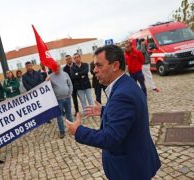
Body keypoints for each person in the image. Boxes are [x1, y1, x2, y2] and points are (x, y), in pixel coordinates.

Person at [65, 45, 161, 180]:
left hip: (129, 170)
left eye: (99, 65)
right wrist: (104, 110)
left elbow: (110, 138)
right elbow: (127, 117)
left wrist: (78, 131)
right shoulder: (126, 84)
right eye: (94, 65)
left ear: (115, 65)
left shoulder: (122, 95)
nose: (94, 70)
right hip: (137, 159)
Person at [49, 62, 73, 139]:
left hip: (67, 98)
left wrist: (69, 94)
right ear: (52, 68)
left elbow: (70, 84)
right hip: (58, 100)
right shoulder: (50, 77)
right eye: (55, 67)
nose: (57, 68)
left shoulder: (65, 74)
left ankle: (72, 129)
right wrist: (46, 81)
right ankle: (62, 131)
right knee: (59, 116)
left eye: (58, 66)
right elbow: (48, 89)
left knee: (69, 114)